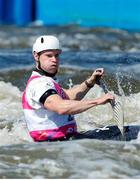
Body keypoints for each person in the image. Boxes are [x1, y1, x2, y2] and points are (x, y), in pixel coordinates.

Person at [22, 35, 115, 142]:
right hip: (56, 144)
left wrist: (90, 82)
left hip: (66, 141)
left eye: (57, 55)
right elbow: (61, 107)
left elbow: (66, 98)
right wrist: (97, 101)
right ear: (36, 56)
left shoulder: (46, 81)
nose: (54, 60)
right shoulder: (39, 84)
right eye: (49, 56)